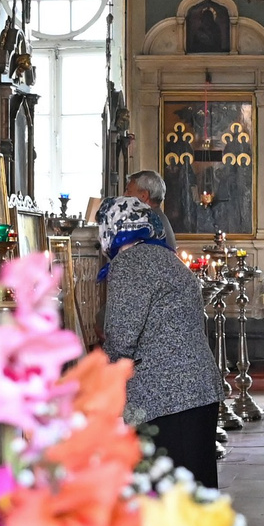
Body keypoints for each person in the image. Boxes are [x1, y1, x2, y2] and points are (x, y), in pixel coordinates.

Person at [98, 195, 223, 487]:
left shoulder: (130, 263)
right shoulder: (166, 257)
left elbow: (121, 336)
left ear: (110, 230)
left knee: (169, 499)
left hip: (166, 399)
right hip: (198, 392)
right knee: (196, 491)